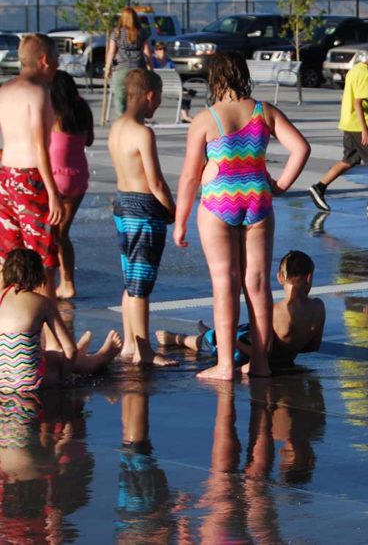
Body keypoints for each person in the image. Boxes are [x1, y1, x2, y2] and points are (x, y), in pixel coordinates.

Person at [174, 54, 310, 381]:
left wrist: (180, 220)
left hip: (219, 201)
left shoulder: (207, 119)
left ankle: (224, 365)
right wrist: (279, 185)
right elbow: (301, 148)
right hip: (257, 200)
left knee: (225, 284)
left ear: (215, 81)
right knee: (258, 284)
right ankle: (261, 363)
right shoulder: (265, 112)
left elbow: (191, 176)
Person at [108, 69, 178, 367]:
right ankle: (144, 350)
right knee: (141, 285)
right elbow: (156, 182)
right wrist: (174, 211)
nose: (158, 105)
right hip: (143, 208)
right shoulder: (142, 132)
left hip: (122, 203)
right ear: (149, 95)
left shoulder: (116, 128)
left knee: (131, 279)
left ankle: (129, 345)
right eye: (159, 99)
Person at [155, 250, 325, 369]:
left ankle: (176, 338)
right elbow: (312, 347)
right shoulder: (319, 307)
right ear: (309, 277)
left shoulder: (276, 311)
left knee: (212, 339)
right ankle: (213, 332)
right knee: (244, 330)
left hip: (250, 354)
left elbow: (262, 355)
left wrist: (230, 339)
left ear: (280, 277)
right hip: (285, 360)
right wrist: (292, 343)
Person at [0, 249, 121, 392]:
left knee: (51, 355)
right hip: (30, 382)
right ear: (38, 273)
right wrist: (63, 379)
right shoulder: (42, 302)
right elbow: (69, 349)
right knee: (62, 359)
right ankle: (99, 359)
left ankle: (84, 356)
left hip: (2, 383)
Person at [0, 34, 64, 296]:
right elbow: (40, 148)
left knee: (8, 256)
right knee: (43, 259)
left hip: (5, 175)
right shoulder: (38, 92)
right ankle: (48, 328)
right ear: (45, 60)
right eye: (57, 59)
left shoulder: (5, 89)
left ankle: (6, 323)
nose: (58, 65)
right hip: (30, 179)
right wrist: (52, 193)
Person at [308, 47, 368, 216]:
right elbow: (358, 103)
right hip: (359, 124)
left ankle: (318, 187)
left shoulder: (356, 68)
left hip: (348, 122)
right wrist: (365, 130)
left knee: (349, 160)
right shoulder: (366, 74)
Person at [48, 70, 94, 300]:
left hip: (54, 179)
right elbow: (89, 140)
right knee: (62, 234)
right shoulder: (82, 109)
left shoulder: (52, 114)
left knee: (47, 234)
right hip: (78, 178)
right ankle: (67, 283)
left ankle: (44, 283)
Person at [104, 7, 153, 120]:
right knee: (138, 99)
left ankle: (121, 125)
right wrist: (151, 67)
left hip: (121, 68)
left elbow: (111, 51)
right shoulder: (141, 32)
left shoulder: (117, 32)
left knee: (120, 101)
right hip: (138, 67)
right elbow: (147, 51)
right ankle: (138, 122)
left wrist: (107, 68)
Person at [151, 41, 193, 123]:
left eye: (164, 49)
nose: (162, 51)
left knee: (186, 93)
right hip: (159, 88)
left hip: (170, 87)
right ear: (155, 51)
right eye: (159, 49)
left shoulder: (169, 62)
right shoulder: (153, 61)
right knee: (184, 93)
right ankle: (185, 116)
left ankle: (185, 116)